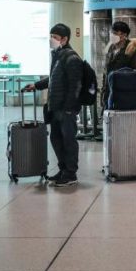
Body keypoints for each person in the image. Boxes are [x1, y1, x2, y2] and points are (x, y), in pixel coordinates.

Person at [25, 23, 83, 187]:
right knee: (56, 139)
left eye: (55, 37)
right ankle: (63, 170)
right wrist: (36, 85)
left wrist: (70, 108)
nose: (51, 39)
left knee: (68, 140)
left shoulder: (71, 58)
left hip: (66, 109)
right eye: (51, 36)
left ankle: (70, 174)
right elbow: (53, 79)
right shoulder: (58, 56)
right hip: (56, 107)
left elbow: (76, 85)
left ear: (64, 39)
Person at [102, 21, 136, 108]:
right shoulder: (110, 49)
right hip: (109, 96)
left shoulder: (131, 50)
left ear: (124, 35)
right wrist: (103, 94)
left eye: (115, 33)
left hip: (124, 98)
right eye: (112, 32)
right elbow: (106, 74)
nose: (112, 35)